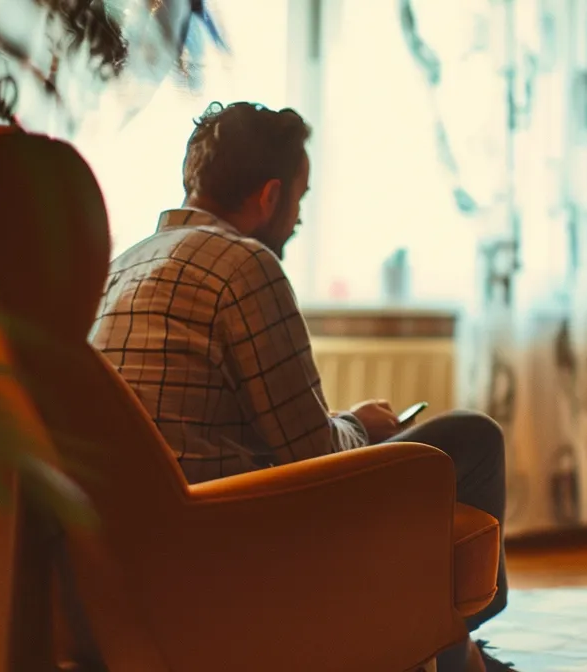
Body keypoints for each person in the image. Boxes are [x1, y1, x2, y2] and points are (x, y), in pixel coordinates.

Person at [89, 101, 509, 672]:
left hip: (132, 550)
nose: (298, 220)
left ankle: (452, 652)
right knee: (472, 438)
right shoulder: (245, 264)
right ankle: (446, 646)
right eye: (300, 200)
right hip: (236, 541)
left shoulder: (119, 268)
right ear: (269, 196)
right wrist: (363, 424)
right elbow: (313, 456)